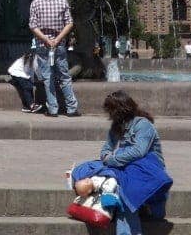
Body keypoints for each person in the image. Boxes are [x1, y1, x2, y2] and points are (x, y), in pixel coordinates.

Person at [72, 89, 170, 235]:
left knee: (125, 193)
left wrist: (112, 159)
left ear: (120, 110)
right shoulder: (117, 126)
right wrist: (107, 157)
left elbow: (139, 151)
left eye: (111, 111)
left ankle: (146, 209)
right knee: (85, 169)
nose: (109, 115)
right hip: (127, 166)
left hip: (147, 169)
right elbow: (106, 148)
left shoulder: (143, 125)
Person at [28, 0, 81, 117]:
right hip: (59, 45)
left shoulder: (35, 3)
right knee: (64, 76)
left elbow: (33, 26)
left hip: (42, 45)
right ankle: (71, 108)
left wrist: (45, 39)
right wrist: (57, 39)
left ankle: (52, 109)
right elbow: (69, 23)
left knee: (47, 77)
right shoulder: (63, 2)